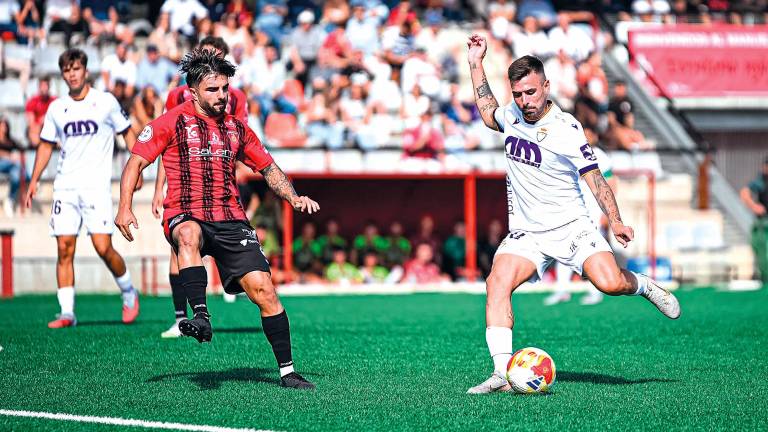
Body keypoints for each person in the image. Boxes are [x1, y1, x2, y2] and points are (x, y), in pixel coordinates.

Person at [464, 35, 680, 394]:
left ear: (546, 86)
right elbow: (488, 112)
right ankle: (503, 372)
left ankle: (644, 286)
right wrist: (475, 62)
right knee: (496, 283)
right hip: (528, 233)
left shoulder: (567, 130)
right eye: (518, 94)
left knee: (609, 284)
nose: (524, 101)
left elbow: (595, 179)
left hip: (571, 228)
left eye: (530, 92)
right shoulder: (512, 115)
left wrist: (615, 219)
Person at [115, 49, 318, 389]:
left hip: (231, 219)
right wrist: (125, 206)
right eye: (213, 90)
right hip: (185, 211)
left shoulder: (237, 128)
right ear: (192, 91)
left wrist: (293, 196)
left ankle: (288, 372)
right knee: (188, 236)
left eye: (225, 89)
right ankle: (201, 316)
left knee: (265, 291)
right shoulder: (170, 122)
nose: (222, 96)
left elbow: (268, 167)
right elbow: (136, 161)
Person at [24, 48, 140, 329]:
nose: (72, 74)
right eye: (66, 70)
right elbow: (45, 145)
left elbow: (127, 132)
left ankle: (128, 291)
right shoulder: (56, 107)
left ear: (86, 71)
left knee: (103, 247)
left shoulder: (106, 102)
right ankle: (67, 313)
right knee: (64, 247)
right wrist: (34, 179)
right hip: (65, 186)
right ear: (62, 75)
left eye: (76, 69)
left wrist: (138, 169)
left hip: (96, 187)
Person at [153, 36, 249, 338]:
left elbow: (238, 137)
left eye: (219, 57)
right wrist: (160, 188)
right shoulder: (177, 96)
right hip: (184, 184)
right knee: (180, 245)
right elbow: (164, 143)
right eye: (209, 56)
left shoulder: (236, 97)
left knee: (222, 237)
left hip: (220, 184)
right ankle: (181, 318)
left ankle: (233, 282)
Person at [545, 128, 617, 306]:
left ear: (595, 135)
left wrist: (607, 214)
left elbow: (612, 184)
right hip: (573, 209)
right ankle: (562, 289)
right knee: (564, 247)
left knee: (593, 251)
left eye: (589, 133)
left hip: (593, 211)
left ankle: (595, 290)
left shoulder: (599, 155)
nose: (585, 137)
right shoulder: (569, 153)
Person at [740, 157, 768, 286]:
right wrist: (754, 206)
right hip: (764, 222)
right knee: (762, 251)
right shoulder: (760, 181)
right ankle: (765, 277)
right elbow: (745, 192)